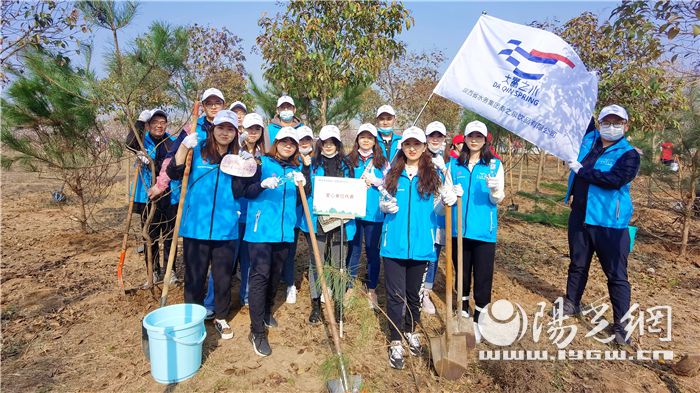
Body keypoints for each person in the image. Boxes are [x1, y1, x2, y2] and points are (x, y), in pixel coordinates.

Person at [167, 110, 248, 340]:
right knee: (195, 276)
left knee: (222, 277)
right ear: (213, 129)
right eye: (221, 127)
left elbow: (240, 191)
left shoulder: (238, 157)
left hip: (226, 228)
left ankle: (220, 317)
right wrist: (183, 147)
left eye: (230, 129)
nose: (225, 133)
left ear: (235, 133)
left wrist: (248, 168)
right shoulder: (198, 151)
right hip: (196, 226)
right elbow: (174, 173)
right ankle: (191, 320)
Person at [563, 104, 640, 345]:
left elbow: (614, 180)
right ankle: (571, 302)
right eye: (607, 121)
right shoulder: (590, 141)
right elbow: (579, 109)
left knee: (616, 275)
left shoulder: (629, 154)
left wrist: (581, 170)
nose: (611, 126)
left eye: (617, 122)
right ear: (599, 123)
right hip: (580, 215)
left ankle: (621, 325)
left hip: (610, 224)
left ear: (625, 126)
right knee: (577, 263)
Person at [379, 126, 454, 370]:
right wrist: (384, 206)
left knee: (415, 295)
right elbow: (383, 201)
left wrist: (447, 201)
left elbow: (439, 209)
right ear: (403, 146)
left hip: (422, 245)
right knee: (395, 296)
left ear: (424, 148)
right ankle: (395, 340)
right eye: (408, 144)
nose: (412, 148)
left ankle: (410, 331)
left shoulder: (433, 174)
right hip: (394, 246)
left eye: (417, 144)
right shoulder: (392, 172)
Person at [243, 126, 310, 357]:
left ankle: (267, 311)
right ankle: (256, 331)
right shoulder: (261, 164)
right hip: (261, 230)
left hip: (284, 232)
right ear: (277, 143)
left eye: (293, 143)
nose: (288, 145)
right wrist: (261, 184)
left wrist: (304, 183)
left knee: (275, 274)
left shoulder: (296, 168)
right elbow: (246, 191)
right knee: (260, 276)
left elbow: (300, 202)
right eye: (284, 142)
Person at [447, 120, 505, 343]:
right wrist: (450, 194)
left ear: (485, 140)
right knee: (461, 271)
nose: (474, 140)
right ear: (465, 138)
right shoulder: (455, 165)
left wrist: (495, 191)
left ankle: (480, 317)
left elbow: (498, 198)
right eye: (471, 136)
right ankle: (462, 309)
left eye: (479, 137)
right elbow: (447, 190)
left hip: (483, 231)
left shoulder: (493, 165)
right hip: (459, 229)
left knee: (482, 276)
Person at [203, 112, 266, 315]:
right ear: (241, 130)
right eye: (249, 129)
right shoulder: (233, 152)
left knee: (249, 260)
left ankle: (246, 296)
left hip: (254, 216)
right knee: (224, 263)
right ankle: (212, 303)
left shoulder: (266, 155)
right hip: (232, 214)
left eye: (257, 129)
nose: (253, 133)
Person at [301, 125, 356, 324]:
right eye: (325, 142)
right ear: (320, 144)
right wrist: (305, 170)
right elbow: (306, 191)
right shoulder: (313, 164)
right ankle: (316, 303)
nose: (328, 146)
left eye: (332, 142)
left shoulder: (347, 166)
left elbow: (354, 192)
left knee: (339, 264)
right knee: (317, 263)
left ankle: (339, 303)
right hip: (318, 221)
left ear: (338, 144)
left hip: (342, 221)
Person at [126, 108, 180, 285]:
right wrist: (140, 122)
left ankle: (169, 271)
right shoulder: (143, 141)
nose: (159, 125)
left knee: (170, 236)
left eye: (163, 122)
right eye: (155, 122)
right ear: (149, 125)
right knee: (150, 236)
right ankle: (153, 271)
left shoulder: (171, 143)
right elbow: (129, 143)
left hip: (169, 196)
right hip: (148, 196)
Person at [345, 123, 387, 309]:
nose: (366, 140)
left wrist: (378, 182)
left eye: (370, 138)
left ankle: (372, 289)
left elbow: (390, 184)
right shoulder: (349, 160)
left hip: (374, 214)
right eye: (363, 137)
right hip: (353, 212)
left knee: (372, 252)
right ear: (357, 139)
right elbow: (343, 182)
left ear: (374, 141)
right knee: (353, 250)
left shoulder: (382, 162)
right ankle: (349, 286)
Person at [282, 125, 315, 305]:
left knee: (316, 251)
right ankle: (289, 284)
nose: (304, 143)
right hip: (292, 215)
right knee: (290, 251)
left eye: (307, 140)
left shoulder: (317, 161)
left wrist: (309, 168)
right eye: (300, 140)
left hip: (311, 214)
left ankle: (318, 284)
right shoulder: (291, 162)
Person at [419, 121, 449, 315]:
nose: (435, 139)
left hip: (439, 217)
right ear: (426, 138)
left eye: (439, 136)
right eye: (432, 136)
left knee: (433, 255)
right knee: (419, 252)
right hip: (422, 215)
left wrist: (445, 170)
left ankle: (426, 293)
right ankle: (414, 291)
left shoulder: (449, 160)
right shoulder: (419, 157)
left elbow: (453, 188)